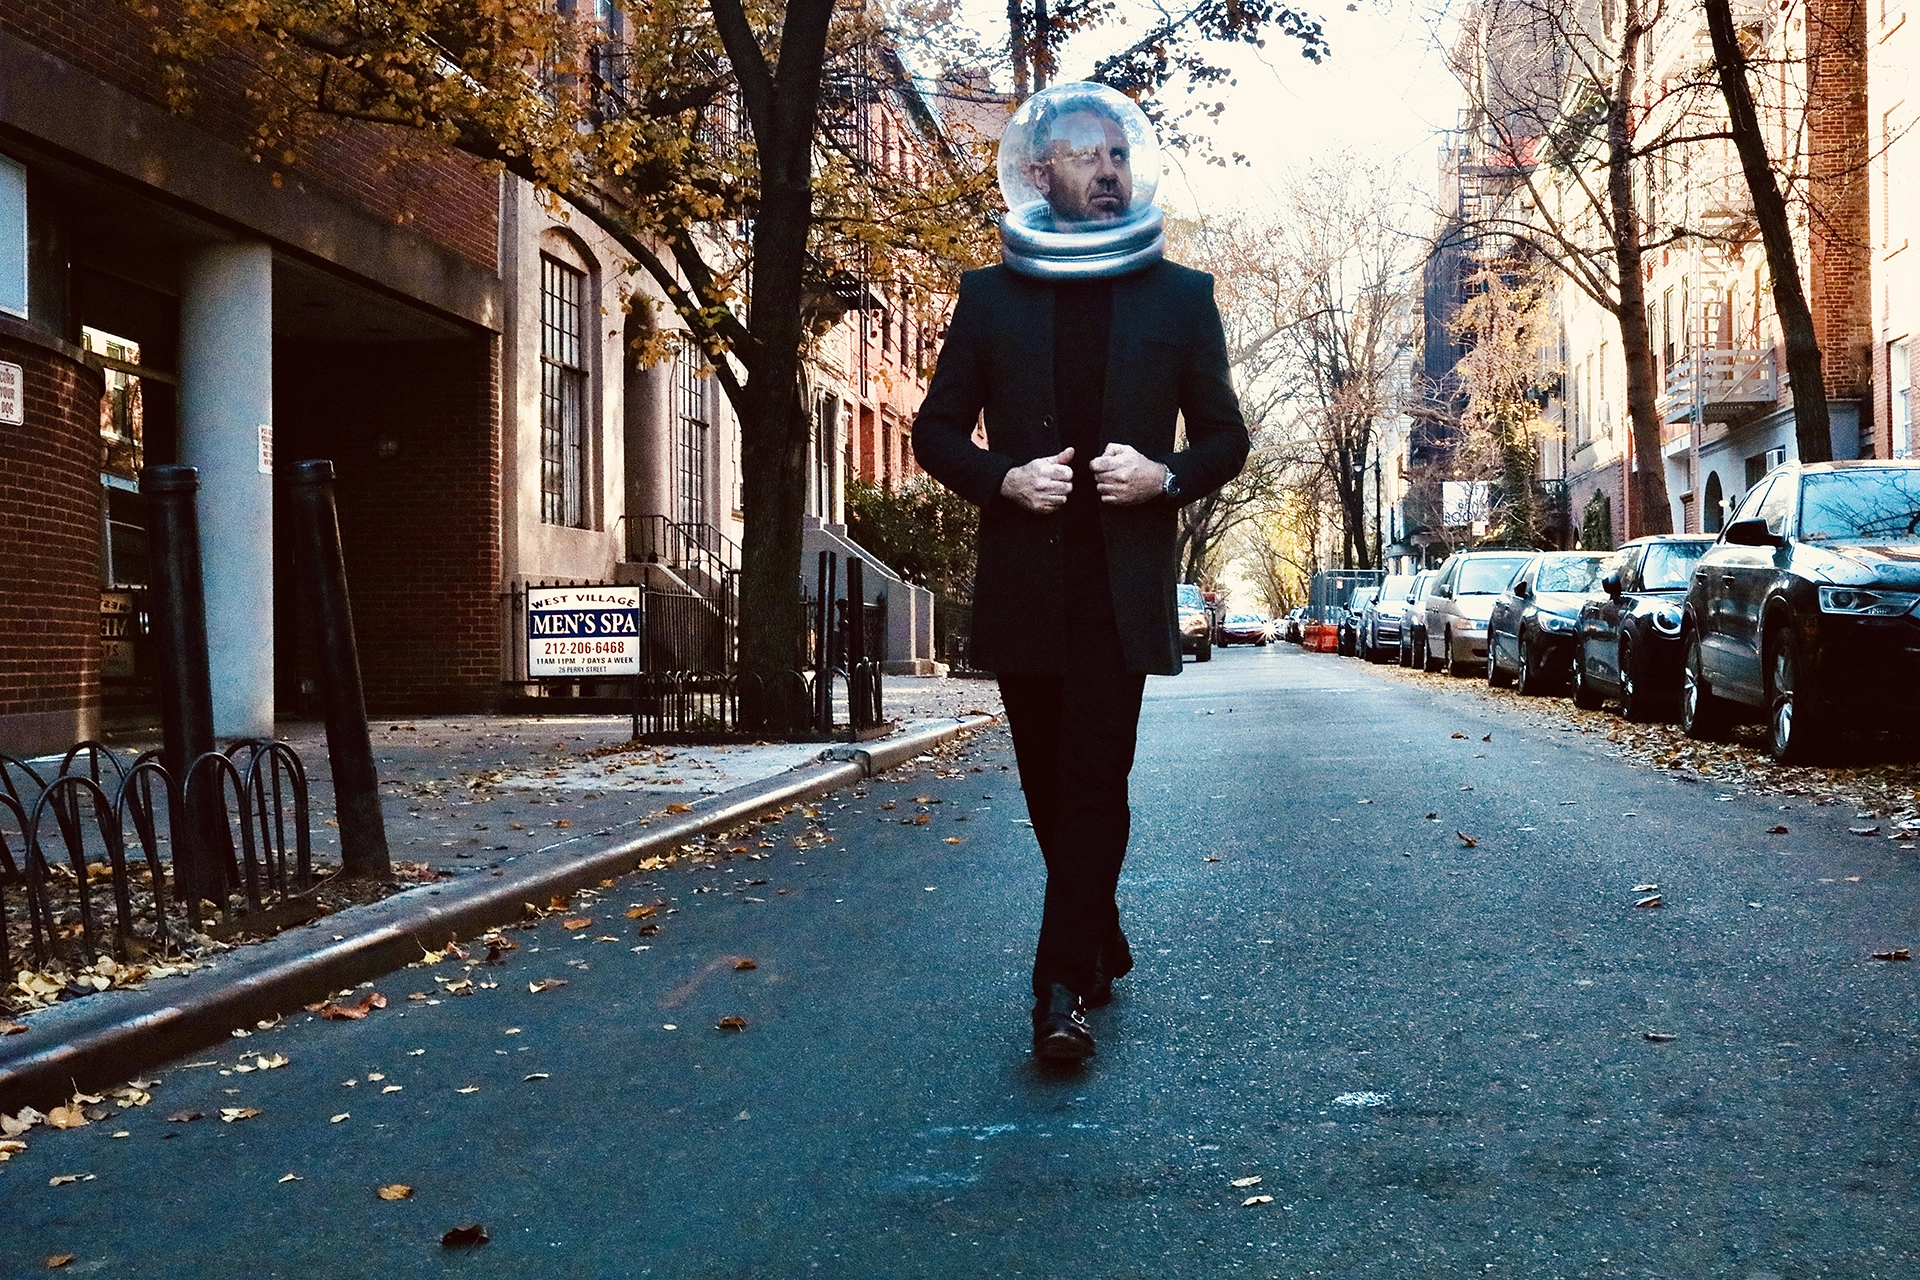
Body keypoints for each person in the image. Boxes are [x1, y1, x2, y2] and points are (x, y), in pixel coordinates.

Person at [911, 83, 1249, 1063]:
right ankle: (1096, 931)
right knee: (1050, 789)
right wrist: (1002, 477)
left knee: (1097, 777)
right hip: (1025, 583)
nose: (1106, 170)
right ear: (1040, 172)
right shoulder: (990, 296)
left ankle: (1056, 990)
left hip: (1122, 590)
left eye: (1117, 155)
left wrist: (1168, 474)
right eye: (1085, 155)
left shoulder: (1180, 298)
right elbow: (934, 430)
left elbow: (1226, 436)